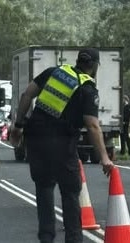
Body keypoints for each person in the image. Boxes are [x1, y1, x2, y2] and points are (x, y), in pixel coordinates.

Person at [10, 48, 115, 243]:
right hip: (62, 143)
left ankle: (46, 238)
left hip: (36, 139)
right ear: (94, 67)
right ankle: (73, 239)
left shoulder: (54, 72)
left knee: (44, 187)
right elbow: (92, 125)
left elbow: (26, 96)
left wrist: (18, 126)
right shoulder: (88, 89)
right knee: (70, 192)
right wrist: (104, 158)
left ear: (78, 61)